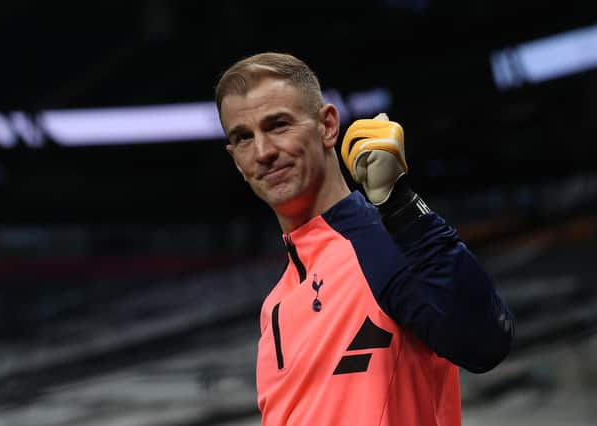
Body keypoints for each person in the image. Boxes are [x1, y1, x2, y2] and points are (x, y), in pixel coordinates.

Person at [215, 52, 514, 426]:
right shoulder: (274, 308)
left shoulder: (388, 240)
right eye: (243, 137)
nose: (263, 152)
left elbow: (485, 342)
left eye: (278, 125)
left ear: (327, 125)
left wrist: (402, 207)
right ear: (235, 158)